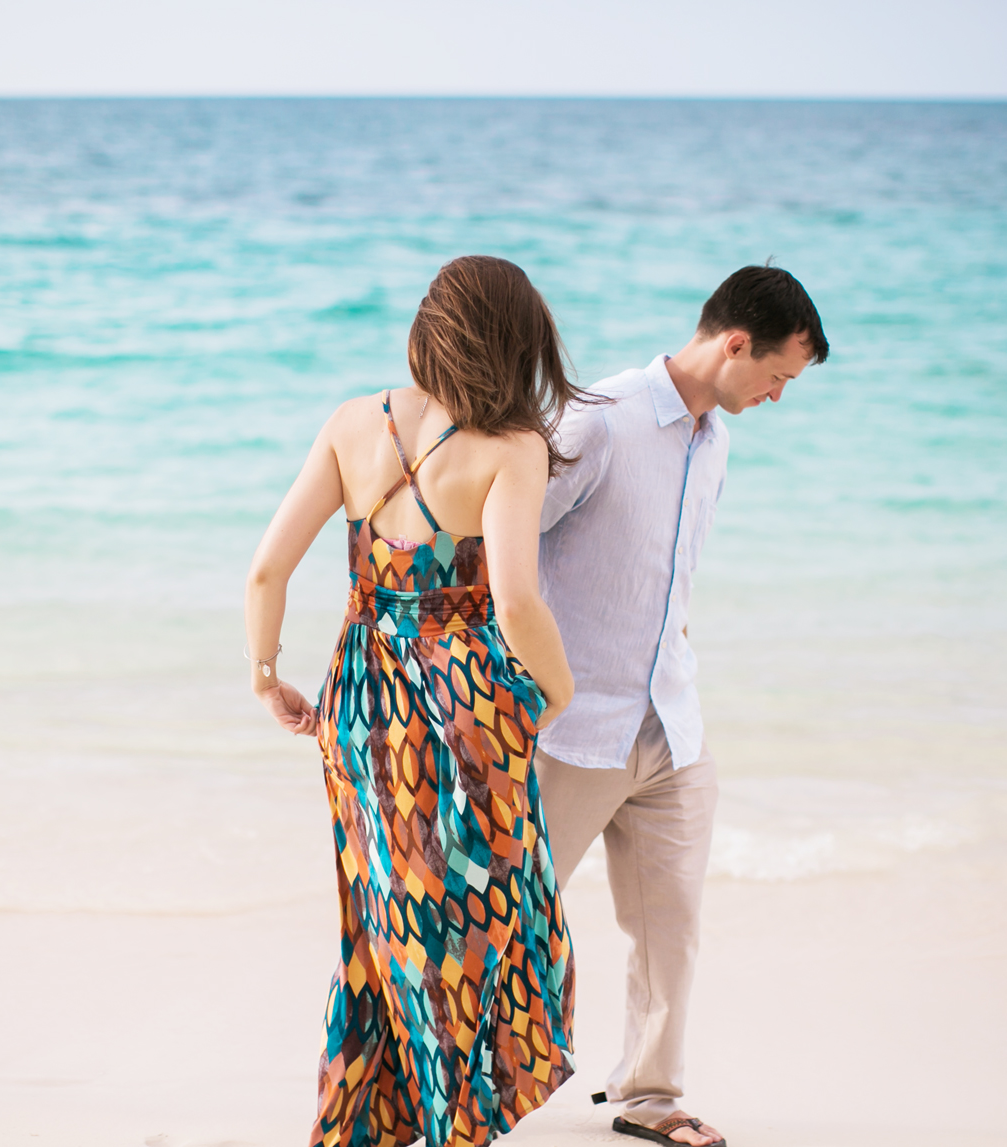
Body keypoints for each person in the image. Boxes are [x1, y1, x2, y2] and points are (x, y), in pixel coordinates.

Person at [245, 256, 588, 1147]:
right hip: (460, 709)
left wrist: (264, 672)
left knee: (382, 924)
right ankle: (455, 1122)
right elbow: (515, 602)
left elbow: (266, 567)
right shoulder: (512, 448)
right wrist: (556, 688)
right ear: (518, 345)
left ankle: (372, 1123)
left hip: (358, 708)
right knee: (484, 918)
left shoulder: (353, 423)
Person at [533, 265, 830, 1147]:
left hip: (673, 724)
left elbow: (673, 573)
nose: (777, 397)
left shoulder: (716, 441)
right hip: (571, 727)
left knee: (672, 923)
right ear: (736, 343)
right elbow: (501, 546)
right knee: (510, 913)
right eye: (778, 377)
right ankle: (438, 1078)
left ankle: (649, 1095)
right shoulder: (599, 419)